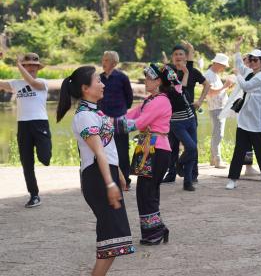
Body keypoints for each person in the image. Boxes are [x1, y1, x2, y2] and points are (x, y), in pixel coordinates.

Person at [57, 66, 134, 275]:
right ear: (85, 88)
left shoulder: (95, 111)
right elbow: (99, 153)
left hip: (106, 173)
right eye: (98, 81)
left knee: (114, 239)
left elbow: (108, 148)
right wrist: (110, 183)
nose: (103, 84)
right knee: (111, 237)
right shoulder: (84, 116)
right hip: (98, 178)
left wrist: (117, 173)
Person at [118, 63, 175, 245]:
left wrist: (109, 126)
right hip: (147, 146)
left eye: (149, 78)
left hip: (157, 148)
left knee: (147, 191)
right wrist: (106, 118)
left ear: (158, 81)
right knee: (146, 191)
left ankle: (155, 232)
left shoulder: (161, 100)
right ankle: (156, 230)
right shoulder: (149, 100)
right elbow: (130, 115)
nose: (146, 81)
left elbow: (139, 123)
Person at [0, 53, 52, 208]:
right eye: (28, 65)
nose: (31, 68)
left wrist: (19, 65)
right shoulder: (16, 84)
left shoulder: (42, 82)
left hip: (40, 124)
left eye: (34, 65)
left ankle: (45, 154)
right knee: (27, 163)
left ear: (38, 67)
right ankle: (34, 195)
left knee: (45, 159)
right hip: (23, 126)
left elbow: (32, 82)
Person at [226, 37, 261, 189]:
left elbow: (246, 86)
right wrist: (238, 48)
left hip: (257, 120)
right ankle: (232, 179)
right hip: (244, 119)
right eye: (251, 59)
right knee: (239, 151)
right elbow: (240, 65)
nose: (252, 62)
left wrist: (237, 75)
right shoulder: (250, 72)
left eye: (255, 60)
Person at [163, 42, 209, 184]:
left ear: (185, 57)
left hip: (189, 113)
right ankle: (171, 174)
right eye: (176, 54)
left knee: (192, 145)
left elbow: (207, 84)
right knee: (172, 145)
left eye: (181, 54)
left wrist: (200, 101)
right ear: (172, 57)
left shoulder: (192, 71)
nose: (178, 56)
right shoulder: (168, 71)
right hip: (172, 115)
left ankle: (193, 174)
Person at [99, 51, 134, 189]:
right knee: (104, 150)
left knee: (122, 151)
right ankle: (109, 179)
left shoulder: (122, 77)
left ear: (114, 63)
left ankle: (125, 180)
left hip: (119, 119)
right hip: (103, 119)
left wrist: (120, 111)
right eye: (103, 59)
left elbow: (129, 98)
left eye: (106, 60)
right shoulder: (98, 78)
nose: (103, 62)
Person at [204, 53, 233, 169]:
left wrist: (225, 88)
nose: (224, 68)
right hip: (216, 109)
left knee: (216, 133)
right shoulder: (208, 75)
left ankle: (213, 159)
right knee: (218, 134)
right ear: (216, 63)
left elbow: (217, 91)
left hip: (219, 108)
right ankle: (217, 160)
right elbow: (210, 92)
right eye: (223, 65)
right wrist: (225, 87)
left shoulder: (213, 74)